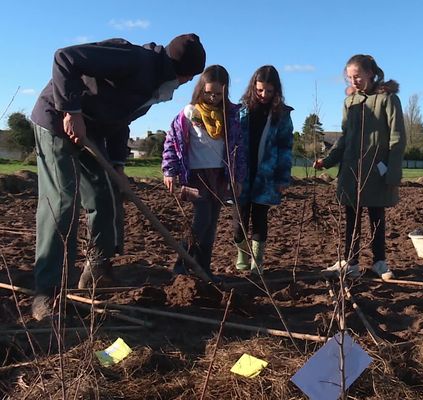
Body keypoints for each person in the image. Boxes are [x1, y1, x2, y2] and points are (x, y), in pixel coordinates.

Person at [30, 34, 206, 320]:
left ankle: (98, 271)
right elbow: (65, 57)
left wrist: (118, 162)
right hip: (56, 120)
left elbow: (120, 120)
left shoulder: (155, 86)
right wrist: (71, 110)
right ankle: (46, 294)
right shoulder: (134, 59)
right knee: (62, 202)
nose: (187, 83)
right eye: (188, 76)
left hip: (92, 131)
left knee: (105, 195)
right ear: (180, 71)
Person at [314, 54, 406, 280]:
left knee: (377, 215)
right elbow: (345, 138)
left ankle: (379, 262)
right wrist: (328, 160)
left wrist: (393, 172)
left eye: (357, 76)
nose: (353, 81)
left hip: (377, 169)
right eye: (349, 78)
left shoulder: (388, 99)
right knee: (351, 218)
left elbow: (397, 137)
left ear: (370, 73)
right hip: (351, 170)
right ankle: (350, 262)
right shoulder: (349, 102)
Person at [162, 65, 246, 279]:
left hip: (219, 175)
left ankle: (203, 268)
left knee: (212, 223)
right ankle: (181, 265)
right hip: (195, 176)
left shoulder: (231, 115)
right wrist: (169, 171)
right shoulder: (188, 114)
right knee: (202, 219)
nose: (213, 98)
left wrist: (237, 177)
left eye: (218, 94)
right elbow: (172, 143)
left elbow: (238, 148)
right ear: (201, 89)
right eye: (209, 92)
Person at [233, 65, 294, 274]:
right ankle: (242, 253)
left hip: (266, 176)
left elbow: (286, 147)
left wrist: (282, 178)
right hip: (241, 175)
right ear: (253, 87)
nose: (264, 95)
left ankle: (257, 261)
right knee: (239, 221)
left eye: (269, 91)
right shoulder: (240, 111)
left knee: (260, 220)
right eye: (260, 90)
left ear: (276, 90)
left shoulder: (282, 115)